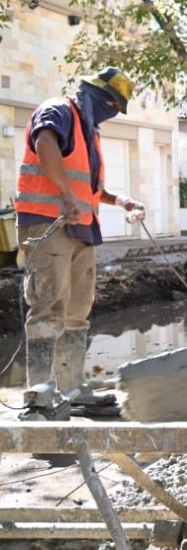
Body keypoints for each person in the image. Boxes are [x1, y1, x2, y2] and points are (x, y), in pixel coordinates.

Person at [15, 67, 146, 407]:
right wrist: (66, 195)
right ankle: (41, 394)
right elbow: (45, 144)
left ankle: (72, 389)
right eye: (112, 104)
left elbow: (89, 188)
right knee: (48, 306)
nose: (113, 111)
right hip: (50, 224)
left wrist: (120, 201)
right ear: (96, 95)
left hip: (81, 228)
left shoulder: (90, 131)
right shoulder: (58, 111)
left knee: (76, 310)